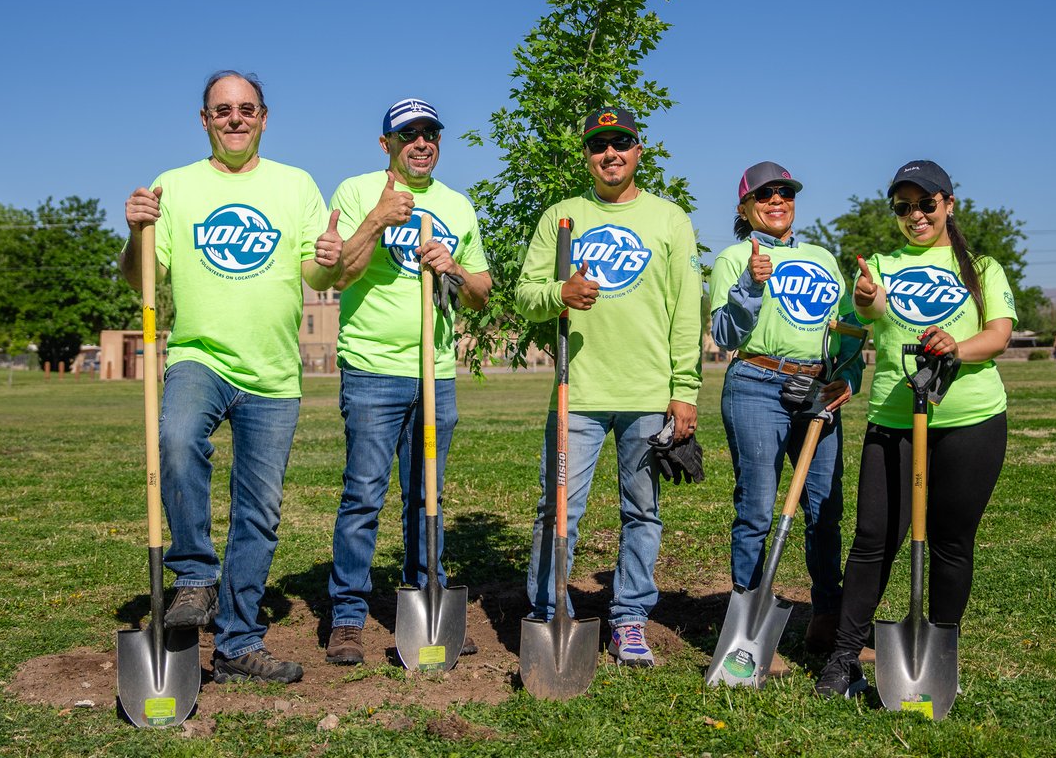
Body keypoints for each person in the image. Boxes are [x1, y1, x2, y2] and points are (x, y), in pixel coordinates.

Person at [120, 70, 343, 683]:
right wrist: (136, 231)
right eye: (223, 110)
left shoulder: (296, 184)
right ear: (204, 120)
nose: (236, 119)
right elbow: (141, 279)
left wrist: (330, 261)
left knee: (259, 514)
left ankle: (239, 642)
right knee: (175, 438)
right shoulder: (174, 187)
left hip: (274, 374)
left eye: (247, 109)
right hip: (201, 355)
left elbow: (321, 280)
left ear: (265, 117)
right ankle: (194, 575)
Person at [815, 159, 1016, 698]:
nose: (915, 215)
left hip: (971, 420)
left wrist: (957, 346)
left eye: (926, 203)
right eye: (903, 207)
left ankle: (939, 654)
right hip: (894, 419)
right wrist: (864, 303)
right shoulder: (878, 264)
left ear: (949, 204)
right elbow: (858, 322)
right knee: (874, 540)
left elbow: (998, 335)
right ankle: (842, 658)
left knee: (952, 542)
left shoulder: (983, 267)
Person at [515, 107, 703, 667]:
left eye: (621, 143)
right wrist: (558, 295)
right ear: (587, 156)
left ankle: (629, 620)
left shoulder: (671, 220)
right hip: (581, 393)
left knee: (642, 512)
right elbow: (525, 294)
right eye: (599, 146)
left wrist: (685, 387)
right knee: (559, 512)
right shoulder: (561, 217)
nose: (610, 154)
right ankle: (549, 613)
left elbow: (685, 311)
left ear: (639, 150)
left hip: (648, 395)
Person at [323, 98, 492, 665]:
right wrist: (377, 219)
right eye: (409, 134)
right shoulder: (355, 192)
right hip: (372, 367)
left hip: (434, 371)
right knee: (364, 494)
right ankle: (348, 615)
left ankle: (429, 601)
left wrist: (455, 268)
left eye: (431, 134)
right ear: (387, 144)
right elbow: (338, 272)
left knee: (428, 496)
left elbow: (481, 293)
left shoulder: (457, 206)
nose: (422, 143)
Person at [708, 161, 863, 667]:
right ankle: (748, 617)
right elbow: (725, 337)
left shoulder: (822, 256)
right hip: (755, 382)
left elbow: (846, 330)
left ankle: (827, 618)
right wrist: (750, 286)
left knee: (825, 505)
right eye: (765, 195)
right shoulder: (733, 258)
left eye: (786, 194)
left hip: (818, 387)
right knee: (756, 505)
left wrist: (849, 378)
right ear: (745, 206)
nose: (777, 201)